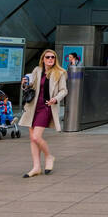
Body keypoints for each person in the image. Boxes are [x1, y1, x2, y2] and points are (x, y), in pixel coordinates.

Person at [19, 49, 68, 177]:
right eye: (48, 57)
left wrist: (55, 99)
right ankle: (36, 167)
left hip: (46, 107)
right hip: (32, 107)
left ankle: (49, 156)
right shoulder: (37, 70)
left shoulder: (60, 73)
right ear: (43, 59)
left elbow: (64, 90)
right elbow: (31, 87)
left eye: (53, 57)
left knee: (36, 137)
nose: (50, 59)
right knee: (32, 139)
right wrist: (25, 84)